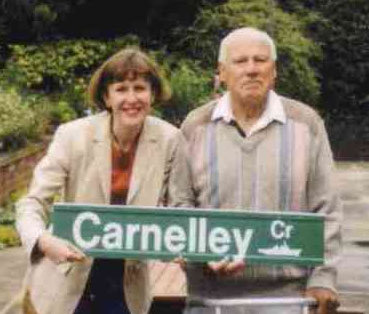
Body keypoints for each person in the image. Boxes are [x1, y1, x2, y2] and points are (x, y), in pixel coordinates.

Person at [172, 27, 342, 314]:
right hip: (210, 297)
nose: (251, 69)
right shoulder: (195, 125)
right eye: (240, 61)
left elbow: (327, 208)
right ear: (222, 72)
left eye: (260, 60)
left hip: (289, 298)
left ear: (274, 71)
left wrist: (323, 278)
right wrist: (200, 255)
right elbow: (180, 205)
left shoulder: (306, 123)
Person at [9, 48, 187, 314]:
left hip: (126, 284)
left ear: (152, 94)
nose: (131, 98)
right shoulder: (73, 135)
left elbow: (178, 210)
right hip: (67, 274)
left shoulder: (170, 140)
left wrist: (180, 246)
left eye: (140, 88)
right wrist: (44, 241)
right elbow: (32, 202)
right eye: (121, 89)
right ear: (106, 96)